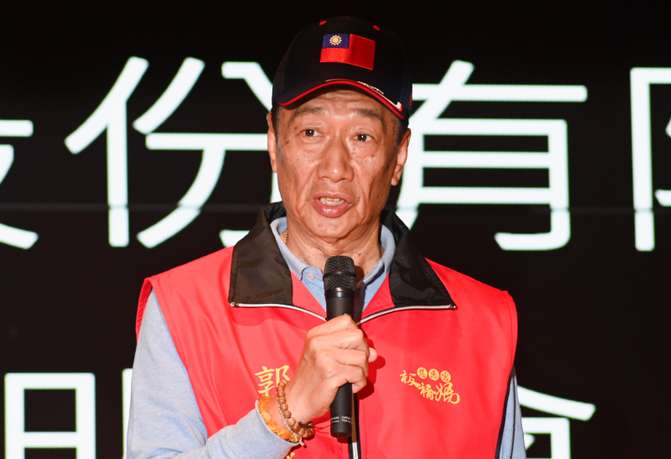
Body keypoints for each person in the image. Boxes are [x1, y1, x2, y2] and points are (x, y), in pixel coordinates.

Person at [126, 15, 526, 459]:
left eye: (361, 136)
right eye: (311, 133)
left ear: (399, 157)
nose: (334, 167)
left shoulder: (481, 321)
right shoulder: (188, 304)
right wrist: (284, 414)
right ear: (274, 145)